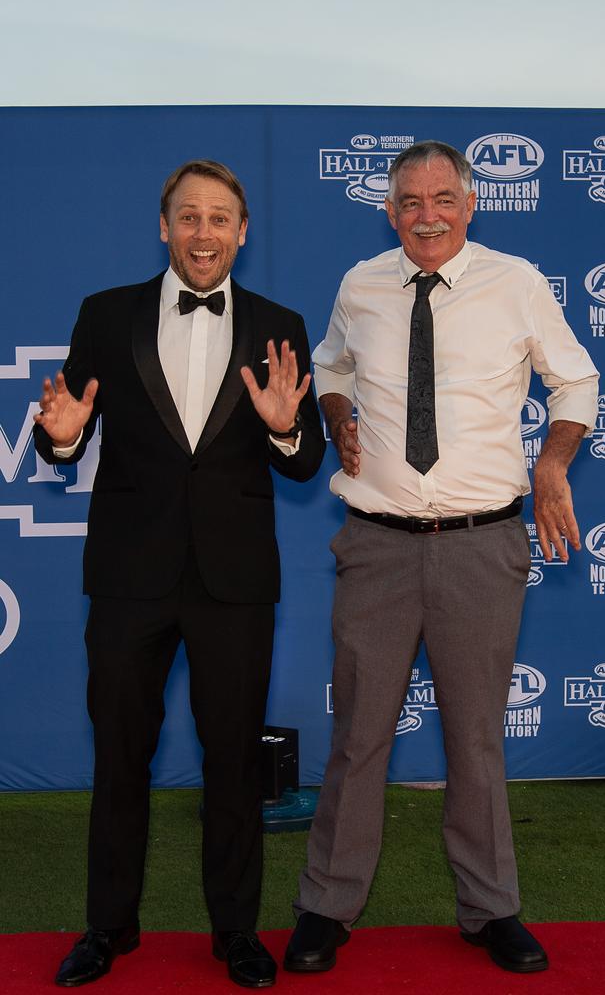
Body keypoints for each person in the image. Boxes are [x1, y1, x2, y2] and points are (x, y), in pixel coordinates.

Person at [284, 140, 598, 976]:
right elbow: (329, 367)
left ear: (470, 204)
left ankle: (490, 909)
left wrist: (554, 461)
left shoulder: (518, 283)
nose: (427, 215)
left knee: (476, 740)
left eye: (443, 199)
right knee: (357, 740)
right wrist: (339, 413)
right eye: (410, 202)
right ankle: (326, 906)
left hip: (481, 545)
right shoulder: (361, 284)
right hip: (376, 548)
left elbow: (575, 382)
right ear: (389, 211)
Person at [33, 159, 325, 990]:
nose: (204, 232)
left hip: (235, 583)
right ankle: (108, 929)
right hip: (131, 574)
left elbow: (306, 462)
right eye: (189, 217)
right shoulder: (106, 314)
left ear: (243, 231)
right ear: (165, 228)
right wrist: (61, 438)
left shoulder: (280, 323)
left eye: (220, 217)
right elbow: (70, 433)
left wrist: (280, 429)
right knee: (119, 756)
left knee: (234, 761)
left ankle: (236, 932)